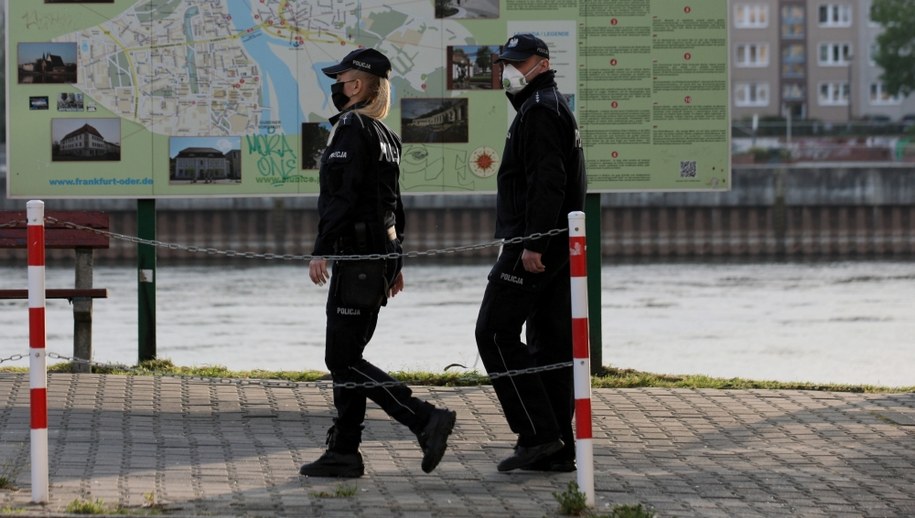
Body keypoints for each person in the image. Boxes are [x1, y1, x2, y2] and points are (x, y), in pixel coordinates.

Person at [300, 48, 457, 478]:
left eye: (341, 77)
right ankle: (344, 452)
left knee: (342, 358)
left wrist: (322, 247)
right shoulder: (384, 134)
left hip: (357, 257)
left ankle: (424, 418)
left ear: (358, 85)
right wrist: (396, 260)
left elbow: (344, 197)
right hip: (377, 256)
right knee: (347, 356)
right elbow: (393, 205)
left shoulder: (352, 128)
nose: (335, 84)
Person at [474, 34, 587, 472]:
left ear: (542, 63)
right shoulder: (548, 104)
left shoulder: (540, 110)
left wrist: (532, 242)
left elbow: (548, 180)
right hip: (558, 243)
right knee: (550, 342)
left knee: (494, 332)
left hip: (537, 243)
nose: (509, 70)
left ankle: (538, 434)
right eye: (505, 63)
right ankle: (558, 447)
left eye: (518, 62)